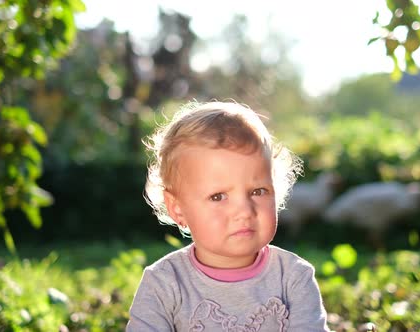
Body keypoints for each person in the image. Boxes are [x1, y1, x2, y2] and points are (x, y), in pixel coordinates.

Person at [126, 101, 330, 331]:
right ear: (178, 208)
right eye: (218, 196)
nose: (244, 210)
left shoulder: (293, 277)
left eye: (258, 191)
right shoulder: (163, 284)